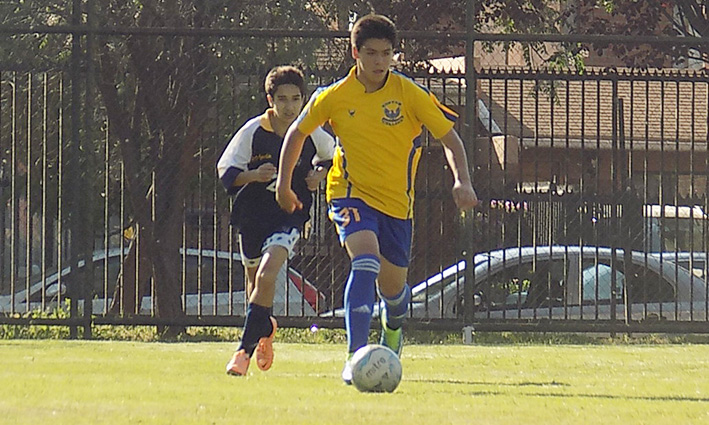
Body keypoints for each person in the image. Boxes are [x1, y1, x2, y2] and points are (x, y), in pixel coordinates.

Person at [275, 14, 479, 385]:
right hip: (349, 194)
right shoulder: (333, 96)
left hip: (398, 205)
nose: (379, 61)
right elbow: (296, 134)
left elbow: (451, 139)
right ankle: (354, 357)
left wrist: (462, 181)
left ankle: (393, 331)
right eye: (371, 53)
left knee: (394, 293)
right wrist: (284, 184)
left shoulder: (409, 94)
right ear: (356, 53)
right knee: (364, 260)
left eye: (386, 53)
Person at [217, 65, 335, 376]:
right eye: (282, 99)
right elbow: (226, 172)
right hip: (253, 217)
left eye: (296, 99)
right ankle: (264, 329)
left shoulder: (310, 130)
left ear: (303, 100)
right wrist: (252, 175)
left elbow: (333, 156)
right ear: (270, 99)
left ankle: (242, 352)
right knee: (255, 284)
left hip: (290, 216)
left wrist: (318, 175)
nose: (289, 106)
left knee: (268, 276)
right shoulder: (254, 131)